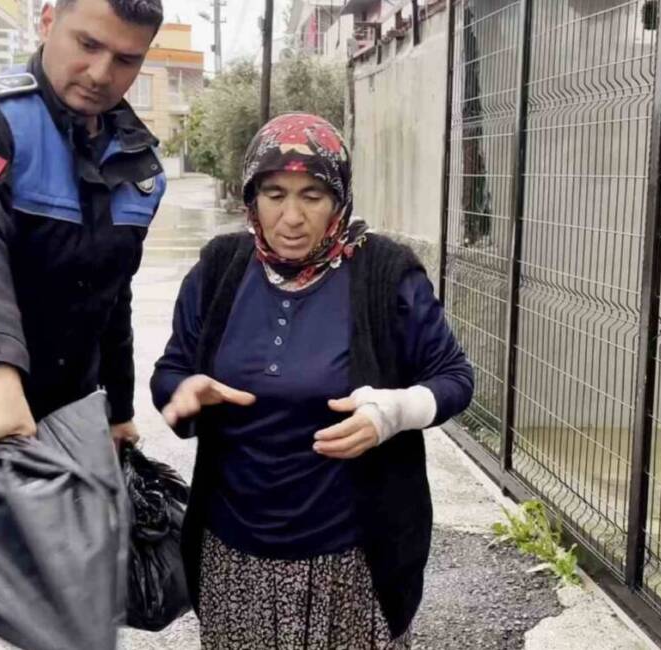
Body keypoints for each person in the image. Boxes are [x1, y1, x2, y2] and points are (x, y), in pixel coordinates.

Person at [151, 113, 475, 649]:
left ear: (340, 199)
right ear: (252, 198)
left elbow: (454, 378)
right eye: (274, 195)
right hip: (236, 552)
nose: (292, 217)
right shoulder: (219, 269)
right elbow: (172, 371)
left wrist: (389, 414)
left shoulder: (385, 274)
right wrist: (182, 393)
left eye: (313, 195)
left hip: (350, 559)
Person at [0, 0, 165, 647]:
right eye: (88, 44)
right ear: (49, 22)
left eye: (126, 59)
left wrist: (120, 409)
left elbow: (112, 296)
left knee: (75, 615)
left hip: (67, 423)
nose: (102, 72)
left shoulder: (140, 164)